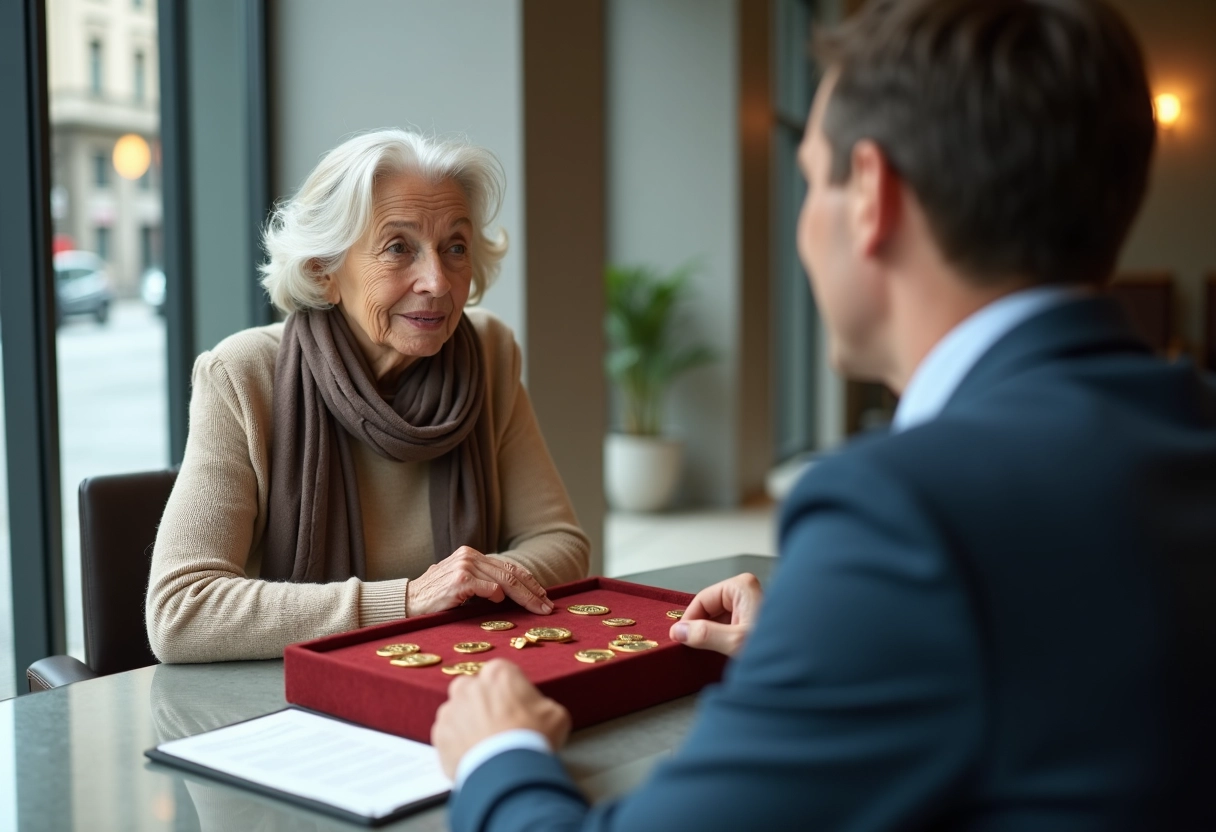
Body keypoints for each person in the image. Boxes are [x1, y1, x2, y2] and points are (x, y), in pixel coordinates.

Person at [431, 0, 1216, 829]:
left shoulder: (903, 517)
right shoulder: (1189, 420)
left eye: (810, 180)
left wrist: (500, 754)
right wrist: (824, 651)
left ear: (872, 194)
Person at [146, 130, 589, 663]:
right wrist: (406, 602)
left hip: (460, 677)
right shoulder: (242, 374)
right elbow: (182, 611)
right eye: (399, 247)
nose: (438, 282)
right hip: (295, 701)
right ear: (323, 270)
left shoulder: (489, 352)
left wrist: (471, 583)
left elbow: (562, 544)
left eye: (455, 247)